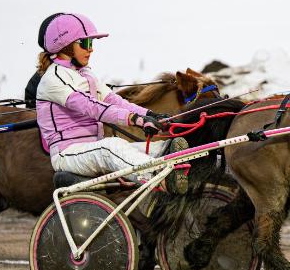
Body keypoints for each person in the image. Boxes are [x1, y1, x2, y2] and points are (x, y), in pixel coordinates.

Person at [34, 12, 188, 195]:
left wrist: (149, 115)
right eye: (85, 43)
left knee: (154, 148)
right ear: (65, 46)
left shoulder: (85, 74)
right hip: (67, 154)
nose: (91, 49)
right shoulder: (53, 79)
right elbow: (92, 107)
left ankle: (177, 163)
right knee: (111, 147)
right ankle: (159, 178)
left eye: (92, 43)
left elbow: (115, 101)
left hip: (91, 148)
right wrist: (136, 120)